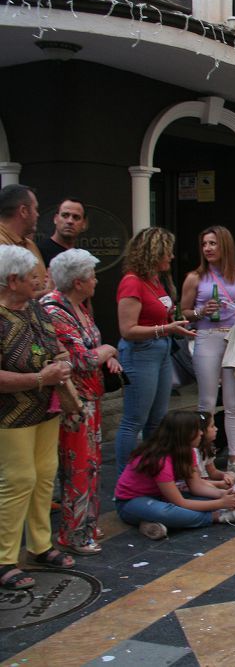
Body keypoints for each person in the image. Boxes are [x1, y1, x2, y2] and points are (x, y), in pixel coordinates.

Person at [0, 245, 77, 590]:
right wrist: (37, 379)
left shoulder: (35, 309)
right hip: (9, 414)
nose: (39, 281)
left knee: (45, 474)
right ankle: (4, 558)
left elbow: (55, 345)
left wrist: (62, 363)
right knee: (17, 480)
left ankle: (40, 545)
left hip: (45, 408)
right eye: (33, 276)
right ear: (12, 280)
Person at [41, 249, 121, 556]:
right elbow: (82, 359)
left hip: (91, 397)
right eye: (92, 276)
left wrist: (106, 356)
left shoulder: (79, 307)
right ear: (78, 282)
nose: (97, 281)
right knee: (78, 466)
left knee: (91, 464)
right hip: (73, 402)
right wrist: (109, 350)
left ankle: (86, 523)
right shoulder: (54, 310)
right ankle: (73, 533)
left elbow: (90, 349)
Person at [180, 226, 235, 482]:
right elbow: (184, 313)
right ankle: (204, 459)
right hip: (207, 338)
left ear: (224, 245)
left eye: (213, 243)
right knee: (207, 403)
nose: (208, 248)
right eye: (204, 244)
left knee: (233, 403)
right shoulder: (195, 277)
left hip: (233, 338)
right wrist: (201, 312)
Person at [113, 227, 193, 475]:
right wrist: (165, 328)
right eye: (167, 252)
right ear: (154, 252)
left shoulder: (155, 281)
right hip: (141, 353)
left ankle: (149, 475)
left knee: (157, 420)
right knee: (133, 420)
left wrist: (174, 327)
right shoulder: (132, 282)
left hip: (161, 351)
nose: (171, 256)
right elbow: (127, 330)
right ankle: (125, 481)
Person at [114, 410, 235, 541]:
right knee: (166, 512)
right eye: (197, 430)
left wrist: (223, 494)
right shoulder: (160, 460)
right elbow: (180, 502)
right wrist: (220, 504)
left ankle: (149, 522)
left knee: (201, 501)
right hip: (131, 502)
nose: (201, 433)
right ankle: (217, 517)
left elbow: (197, 486)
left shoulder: (188, 452)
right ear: (184, 434)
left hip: (161, 497)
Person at [0, 184, 50, 297]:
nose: (38, 214)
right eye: (35, 209)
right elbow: (7, 298)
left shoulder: (30, 245)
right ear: (23, 211)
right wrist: (50, 295)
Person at [39, 198, 88, 267]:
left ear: (84, 224)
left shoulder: (82, 257)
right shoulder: (38, 252)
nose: (70, 221)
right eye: (65, 215)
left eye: (76, 217)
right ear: (55, 219)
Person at [194, 411, 235, 490]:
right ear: (201, 431)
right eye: (212, 426)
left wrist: (225, 475)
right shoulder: (192, 452)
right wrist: (218, 484)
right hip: (195, 486)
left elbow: (212, 472)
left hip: (203, 484)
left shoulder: (207, 448)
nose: (216, 429)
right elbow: (195, 482)